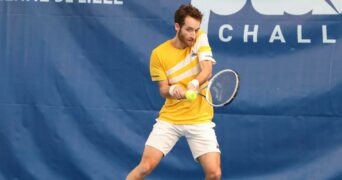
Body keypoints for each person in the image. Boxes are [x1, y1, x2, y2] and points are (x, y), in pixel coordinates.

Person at [126, 3, 221, 180]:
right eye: (189, 30)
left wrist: (193, 83)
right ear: (177, 26)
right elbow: (163, 90)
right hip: (170, 119)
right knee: (145, 168)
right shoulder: (158, 54)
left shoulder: (201, 38)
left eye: (196, 29)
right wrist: (173, 89)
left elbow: (207, 70)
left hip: (200, 119)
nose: (193, 35)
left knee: (214, 173)